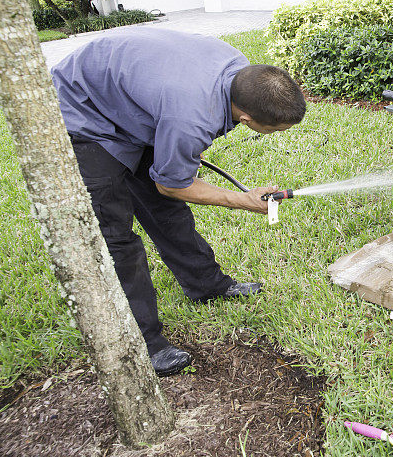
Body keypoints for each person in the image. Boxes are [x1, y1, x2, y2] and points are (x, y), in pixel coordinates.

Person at [51, 28, 305, 376]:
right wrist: (241, 200)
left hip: (132, 98)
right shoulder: (189, 115)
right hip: (86, 108)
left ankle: (208, 286)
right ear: (246, 117)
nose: (278, 134)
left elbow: (173, 166)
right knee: (116, 235)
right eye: (275, 129)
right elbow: (172, 185)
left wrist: (180, 150)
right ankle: (145, 344)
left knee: (165, 213)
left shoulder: (242, 75)